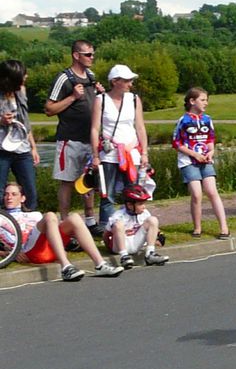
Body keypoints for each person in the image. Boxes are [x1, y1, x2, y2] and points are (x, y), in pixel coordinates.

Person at [1, 183, 123, 281]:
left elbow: (53, 228)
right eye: (6, 194)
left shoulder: (34, 215)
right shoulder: (2, 218)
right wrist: (9, 253)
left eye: (13, 194)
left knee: (74, 218)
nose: (9, 197)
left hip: (51, 248)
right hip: (30, 251)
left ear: (22, 198)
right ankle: (66, 267)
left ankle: (100, 264)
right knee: (49, 216)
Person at [45, 40, 103, 232]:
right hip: (69, 138)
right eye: (88, 54)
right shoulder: (64, 78)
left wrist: (102, 95)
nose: (92, 58)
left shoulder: (91, 76)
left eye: (93, 54)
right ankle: (64, 222)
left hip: (90, 138)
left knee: (89, 180)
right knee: (67, 181)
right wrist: (72, 97)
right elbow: (49, 109)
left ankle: (90, 220)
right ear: (76, 56)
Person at [90, 64, 149, 226]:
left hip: (131, 152)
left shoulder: (134, 99)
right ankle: (106, 225)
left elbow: (140, 126)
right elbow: (95, 129)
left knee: (134, 191)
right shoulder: (101, 100)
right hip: (110, 153)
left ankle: (134, 223)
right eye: (127, 80)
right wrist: (95, 155)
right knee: (106, 193)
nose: (130, 84)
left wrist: (144, 152)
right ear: (115, 81)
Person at [172, 87, 230, 239]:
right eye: (203, 100)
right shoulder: (183, 121)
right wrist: (194, 155)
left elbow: (210, 140)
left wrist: (210, 152)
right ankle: (197, 227)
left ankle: (224, 227)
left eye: (207, 100)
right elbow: (177, 143)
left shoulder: (207, 120)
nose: (206, 103)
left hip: (206, 160)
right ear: (192, 101)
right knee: (197, 194)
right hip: (188, 161)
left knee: (212, 191)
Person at [0, 60, 40, 209]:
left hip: (22, 149)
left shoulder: (21, 92)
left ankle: (30, 224)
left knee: (30, 191)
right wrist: (1, 121)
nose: (26, 77)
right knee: (0, 192)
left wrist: (33, 147)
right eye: (23, 74)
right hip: (2, 150)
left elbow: (25, 122)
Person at [104, 183, 169, 268]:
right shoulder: (118, 216)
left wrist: (159, 234)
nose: (144, 207)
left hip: (136, 243)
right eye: (140, 204)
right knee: (118, 224)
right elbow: (106, 234)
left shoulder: (144, 213)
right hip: (120, 246)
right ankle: (124, 257)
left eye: (144, 203)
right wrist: (108, 247)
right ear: (129, 205)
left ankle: (150, 254)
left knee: (153, 219)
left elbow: (152, 226)